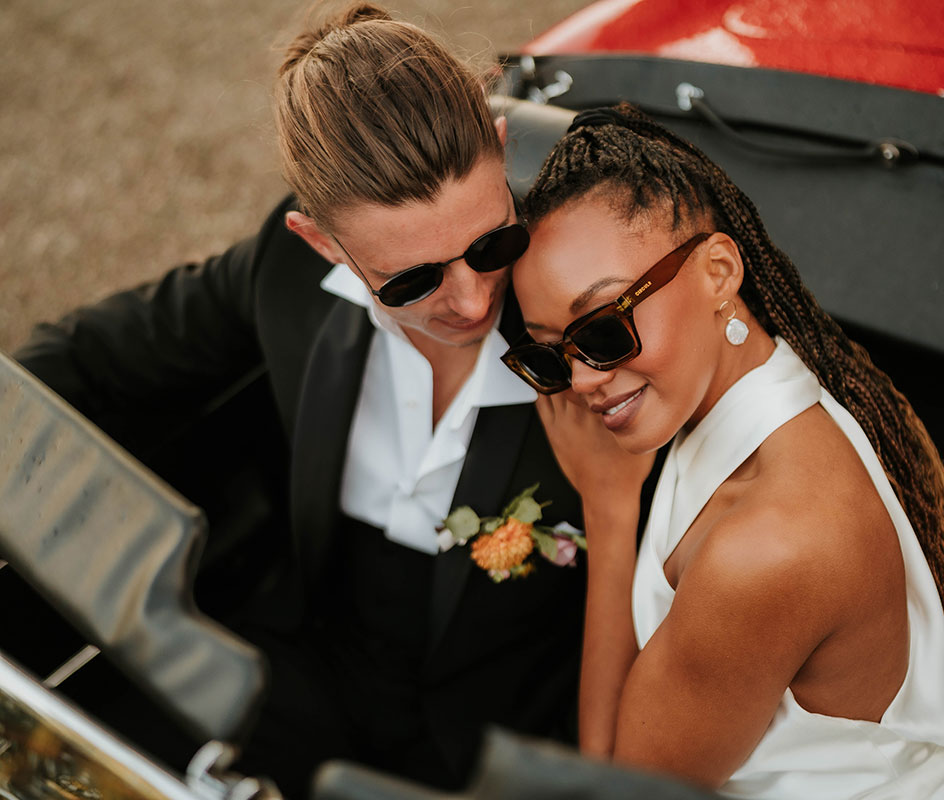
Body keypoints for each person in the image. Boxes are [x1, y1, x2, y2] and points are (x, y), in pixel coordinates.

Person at [14, 4, 593, 795]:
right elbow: (90, 355)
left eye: (491, 243)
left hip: (503, 728)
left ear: (501, 153)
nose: (470, 299)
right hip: (313, 665)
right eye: (412, 281)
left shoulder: (591, 304)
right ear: (321, 242)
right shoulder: (285, 275)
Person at [501, 103, 944, 798]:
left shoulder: (765, 549)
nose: (581, 383)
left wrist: (609, 506)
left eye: (604, 330)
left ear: (719, 271)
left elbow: (616, 788)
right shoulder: (764, 381)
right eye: (549, 356)